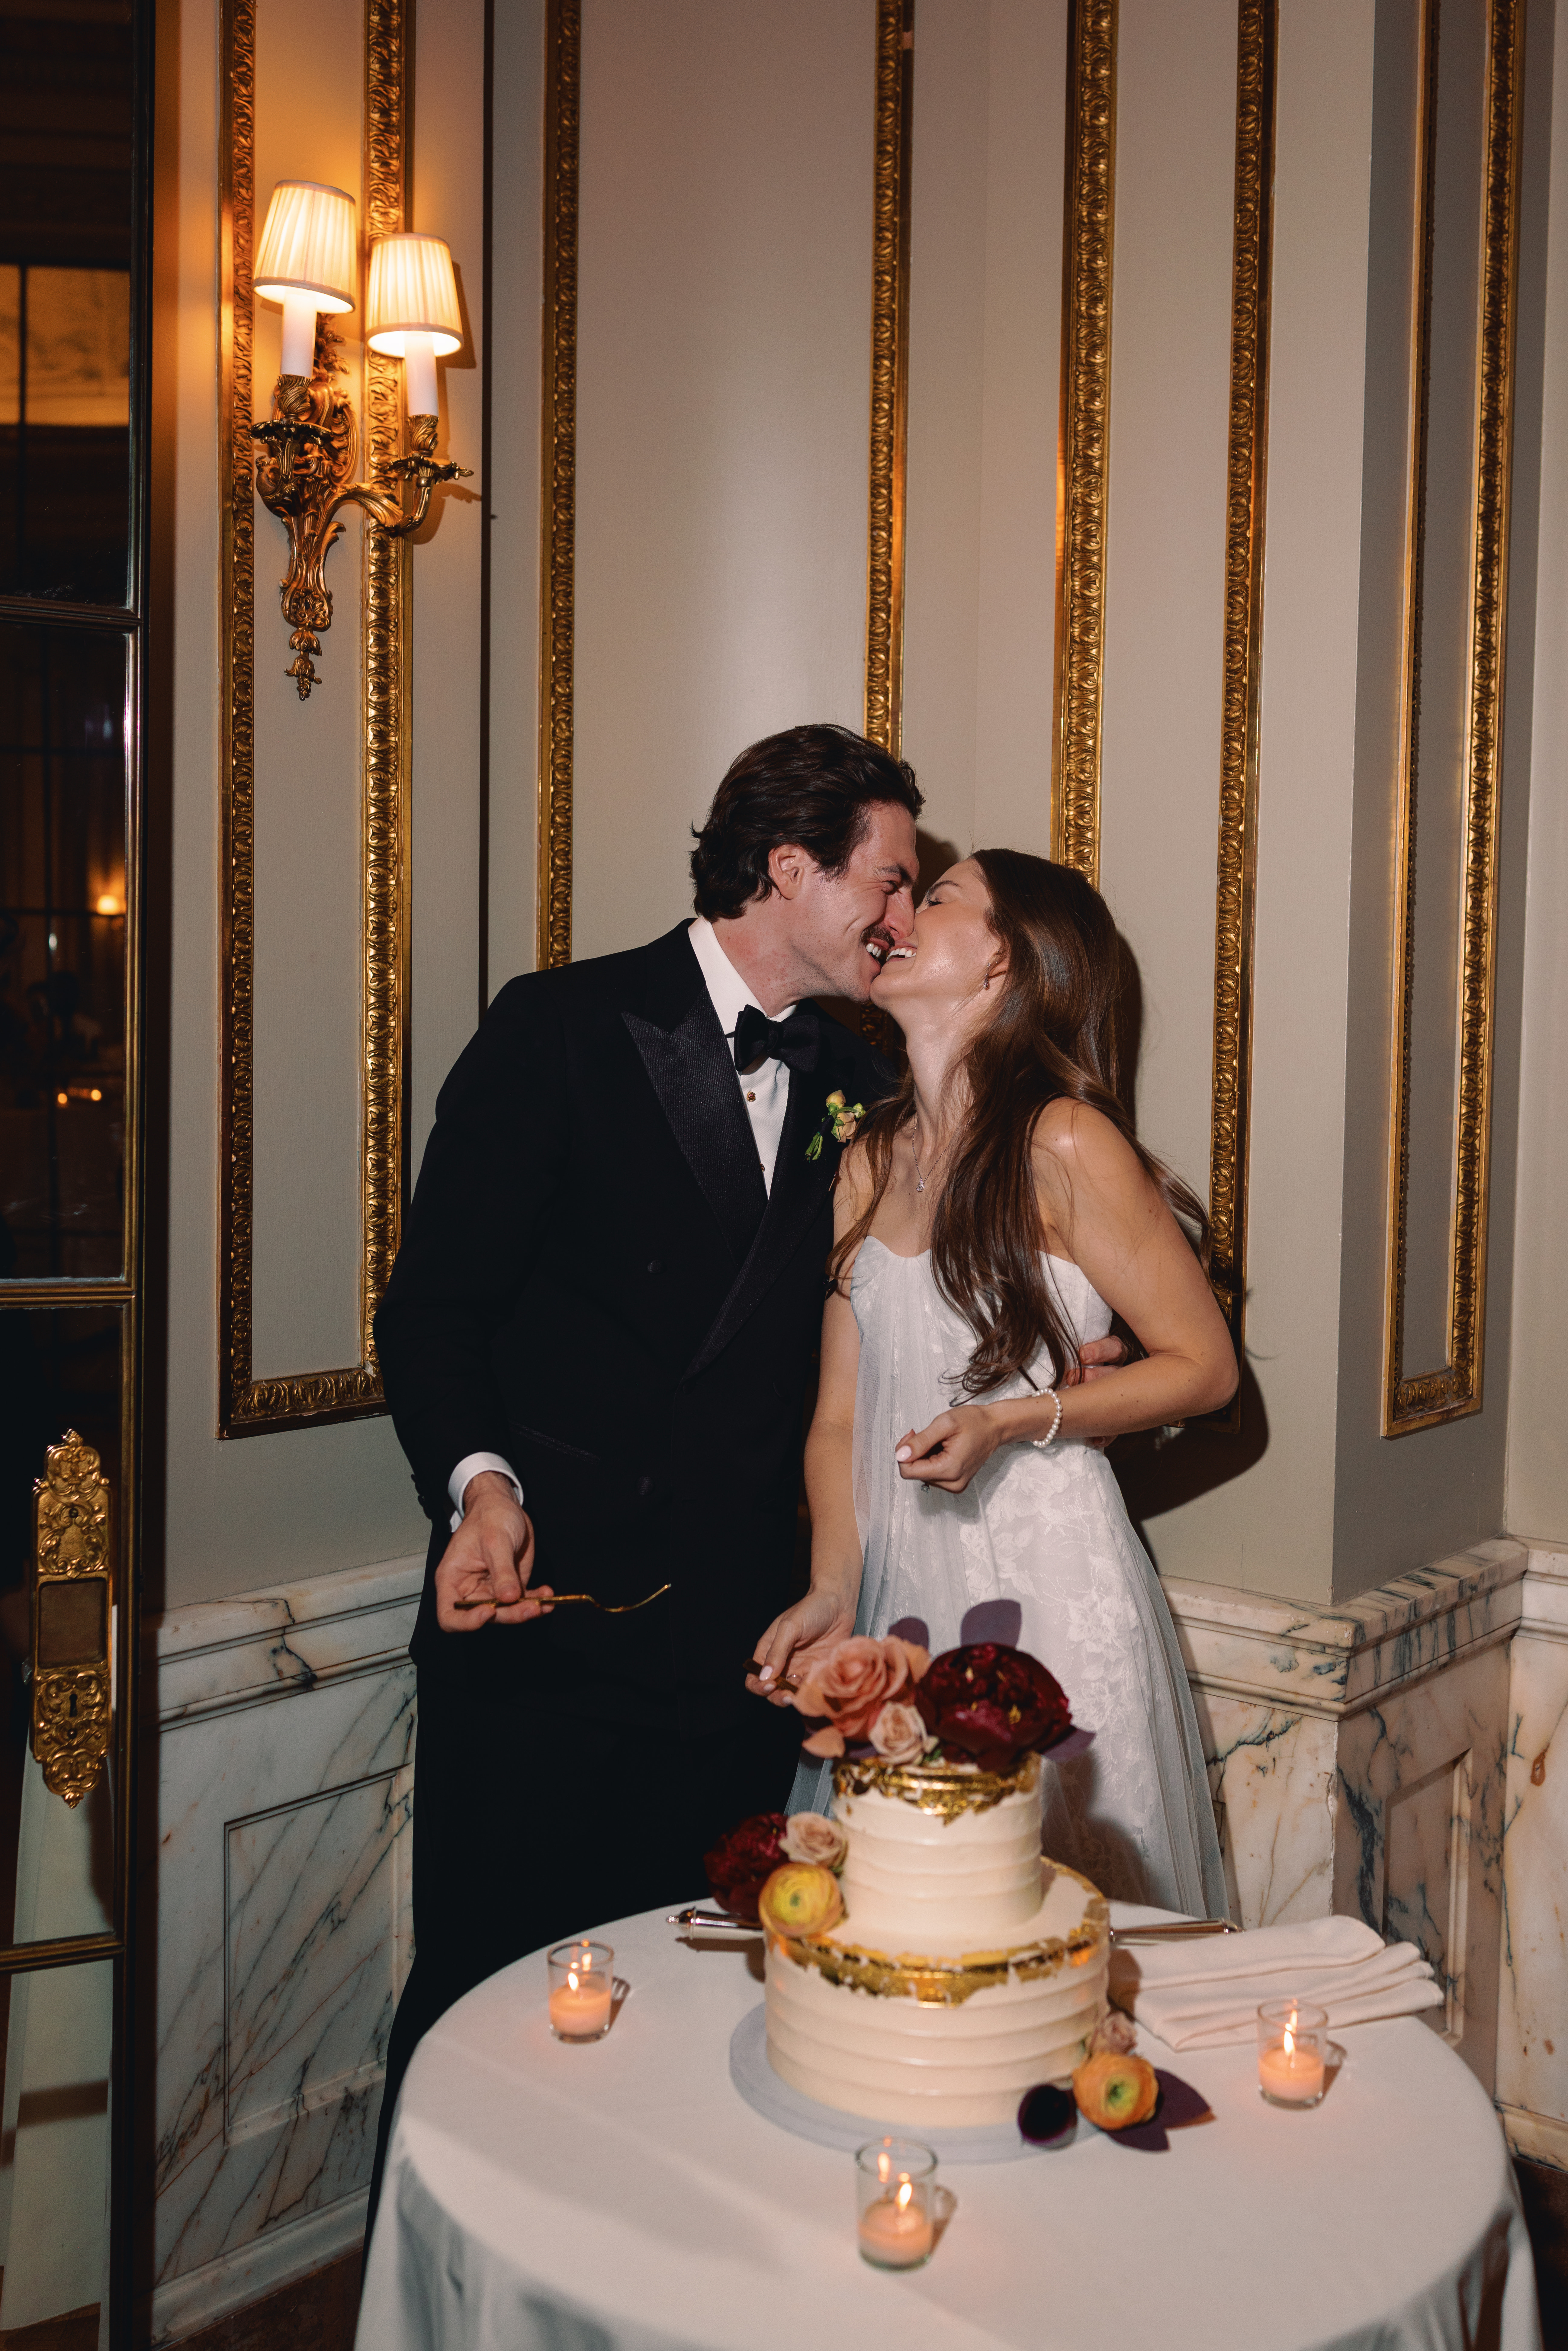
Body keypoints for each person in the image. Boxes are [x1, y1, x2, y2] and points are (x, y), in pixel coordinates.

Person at [749, 848, 1233, 1919]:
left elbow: (1205, 1368)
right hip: (903, 1589)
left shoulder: (1062, 1141)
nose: (901, 916)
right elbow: (838, 1421)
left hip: (1054, 1581)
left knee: (1060, 1929)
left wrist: (1014, 1419)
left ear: (1004, 962)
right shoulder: (869, 1159)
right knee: (900, 1918)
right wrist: (834, 1588)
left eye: (936, 898)